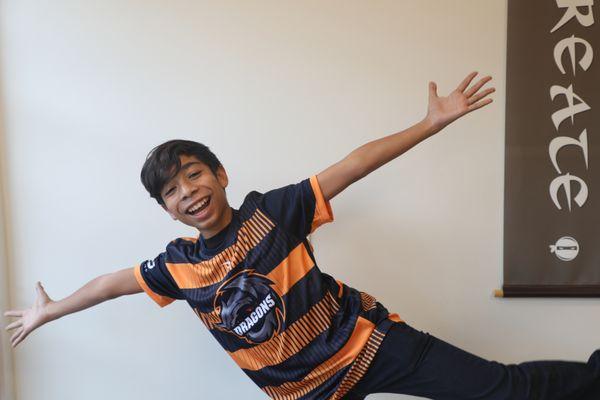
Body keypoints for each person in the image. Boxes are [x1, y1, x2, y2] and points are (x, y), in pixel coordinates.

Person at [4, 72, 599, 400]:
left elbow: (352, 166)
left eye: (194, 174)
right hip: (305, 396)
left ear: (220, 175)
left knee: (502, 389)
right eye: (172, 191)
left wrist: (429, 123)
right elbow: (111, 284)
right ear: (168, 210)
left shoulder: (274, 212)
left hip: (370, 346)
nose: (187, 191)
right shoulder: (177, 266)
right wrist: (51, 310)